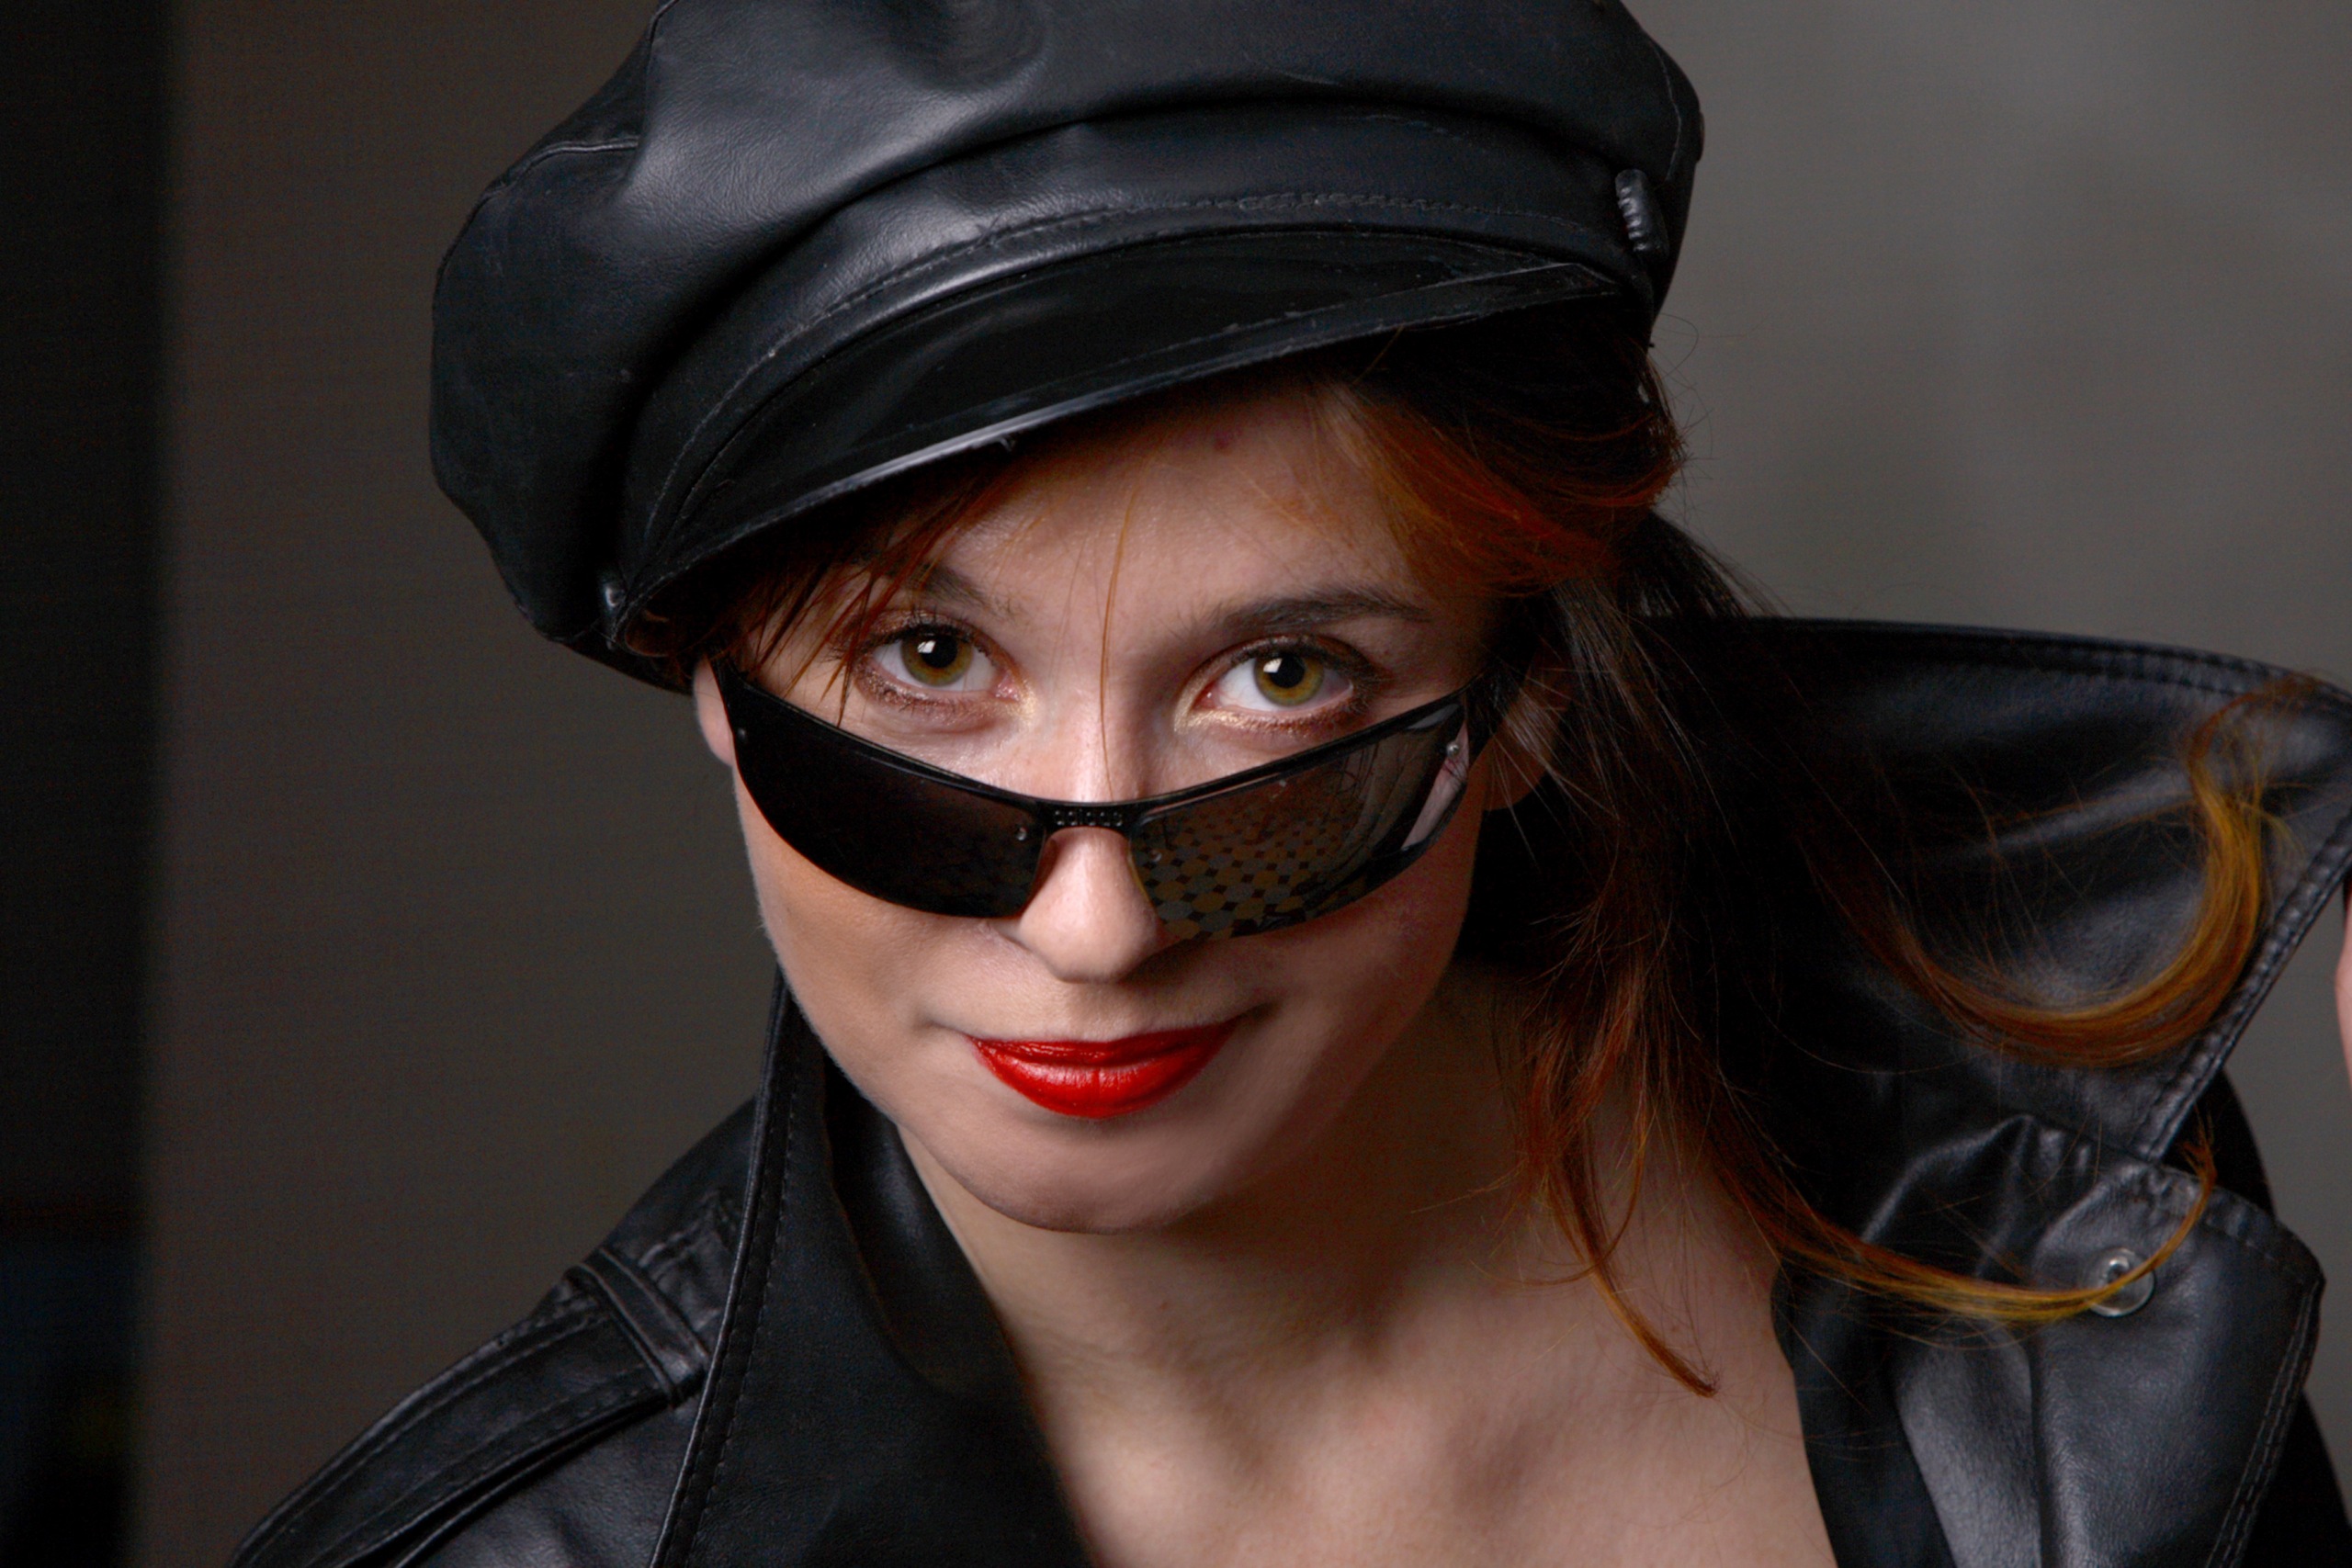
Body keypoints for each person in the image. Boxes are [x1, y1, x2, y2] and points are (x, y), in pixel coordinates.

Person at [232, 3, 2352, 1564]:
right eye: (931, 660)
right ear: (713, 683)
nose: (1094, 927)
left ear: (1524, 698)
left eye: (1278, 677)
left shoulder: (2071, 1230)